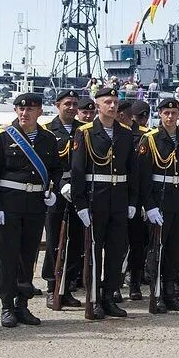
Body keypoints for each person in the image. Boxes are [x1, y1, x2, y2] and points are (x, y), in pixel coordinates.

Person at [0, 93, 61, 327]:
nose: (24, 113)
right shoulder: (4, 135)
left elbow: (56, 170)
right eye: (20, 109)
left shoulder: (48, 139)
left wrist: (53, 190)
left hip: (35, 205)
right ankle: (7, 306)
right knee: (8, 257)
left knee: (28, 256)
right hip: (9, 205)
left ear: (39, 112)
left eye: (30, 109)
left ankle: (22, 304)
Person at [71, 87, 138, 320]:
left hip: (119, 197)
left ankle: (109, 295)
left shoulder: (126, 133)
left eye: (115, 102)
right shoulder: (85, 133)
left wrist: (132, 200)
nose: (112, 106)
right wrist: (79, 204)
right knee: (94, 251)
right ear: (97, 105)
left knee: (116, 250)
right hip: (95, 198)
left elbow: (133, 170)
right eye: (107, 102)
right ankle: (94, 298)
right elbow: (78, 170)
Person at [138, 98, 179, 313]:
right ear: (160, 114)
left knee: (175, 249)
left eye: (174, 113)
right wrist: (150, 206)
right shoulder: (150, 140)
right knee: (157, 250)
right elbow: (143, 177)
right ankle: (156, 293)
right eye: (166, 113)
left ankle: (170, 292)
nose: (170, 117)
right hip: (160, 201)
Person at [42, 89, 84, 310]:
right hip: (56, 193)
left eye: (75, 104)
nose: (72, 108)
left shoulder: (83, 131)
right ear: (58, 105)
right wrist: (57, 186)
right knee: (54, 242)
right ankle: (52, 286)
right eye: (67, 103)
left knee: (76, 241)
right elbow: (46, 165)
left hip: (78, 193)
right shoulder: (48, 131)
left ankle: (67, 286)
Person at [121, 101, 152, 302]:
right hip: (116, 194)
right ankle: (113, 283)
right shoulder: (115, 134)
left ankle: (135, 283)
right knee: (115, 244)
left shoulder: (146, 136)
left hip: (138, 196)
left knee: (138, 243)